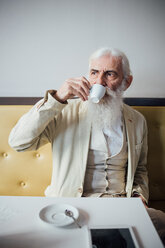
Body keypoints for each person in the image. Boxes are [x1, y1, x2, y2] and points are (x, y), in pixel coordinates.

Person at [8, 47, 165, 244]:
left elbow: (140, 169)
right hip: (71, 206)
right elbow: (18, 142)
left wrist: (139, 198)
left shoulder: (137, 120)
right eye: (94, 73)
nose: (99, 82)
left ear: (127, 82)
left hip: (121, 207)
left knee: (160, 222)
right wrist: (57, 98)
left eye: (110, 74)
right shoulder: (63, 111)